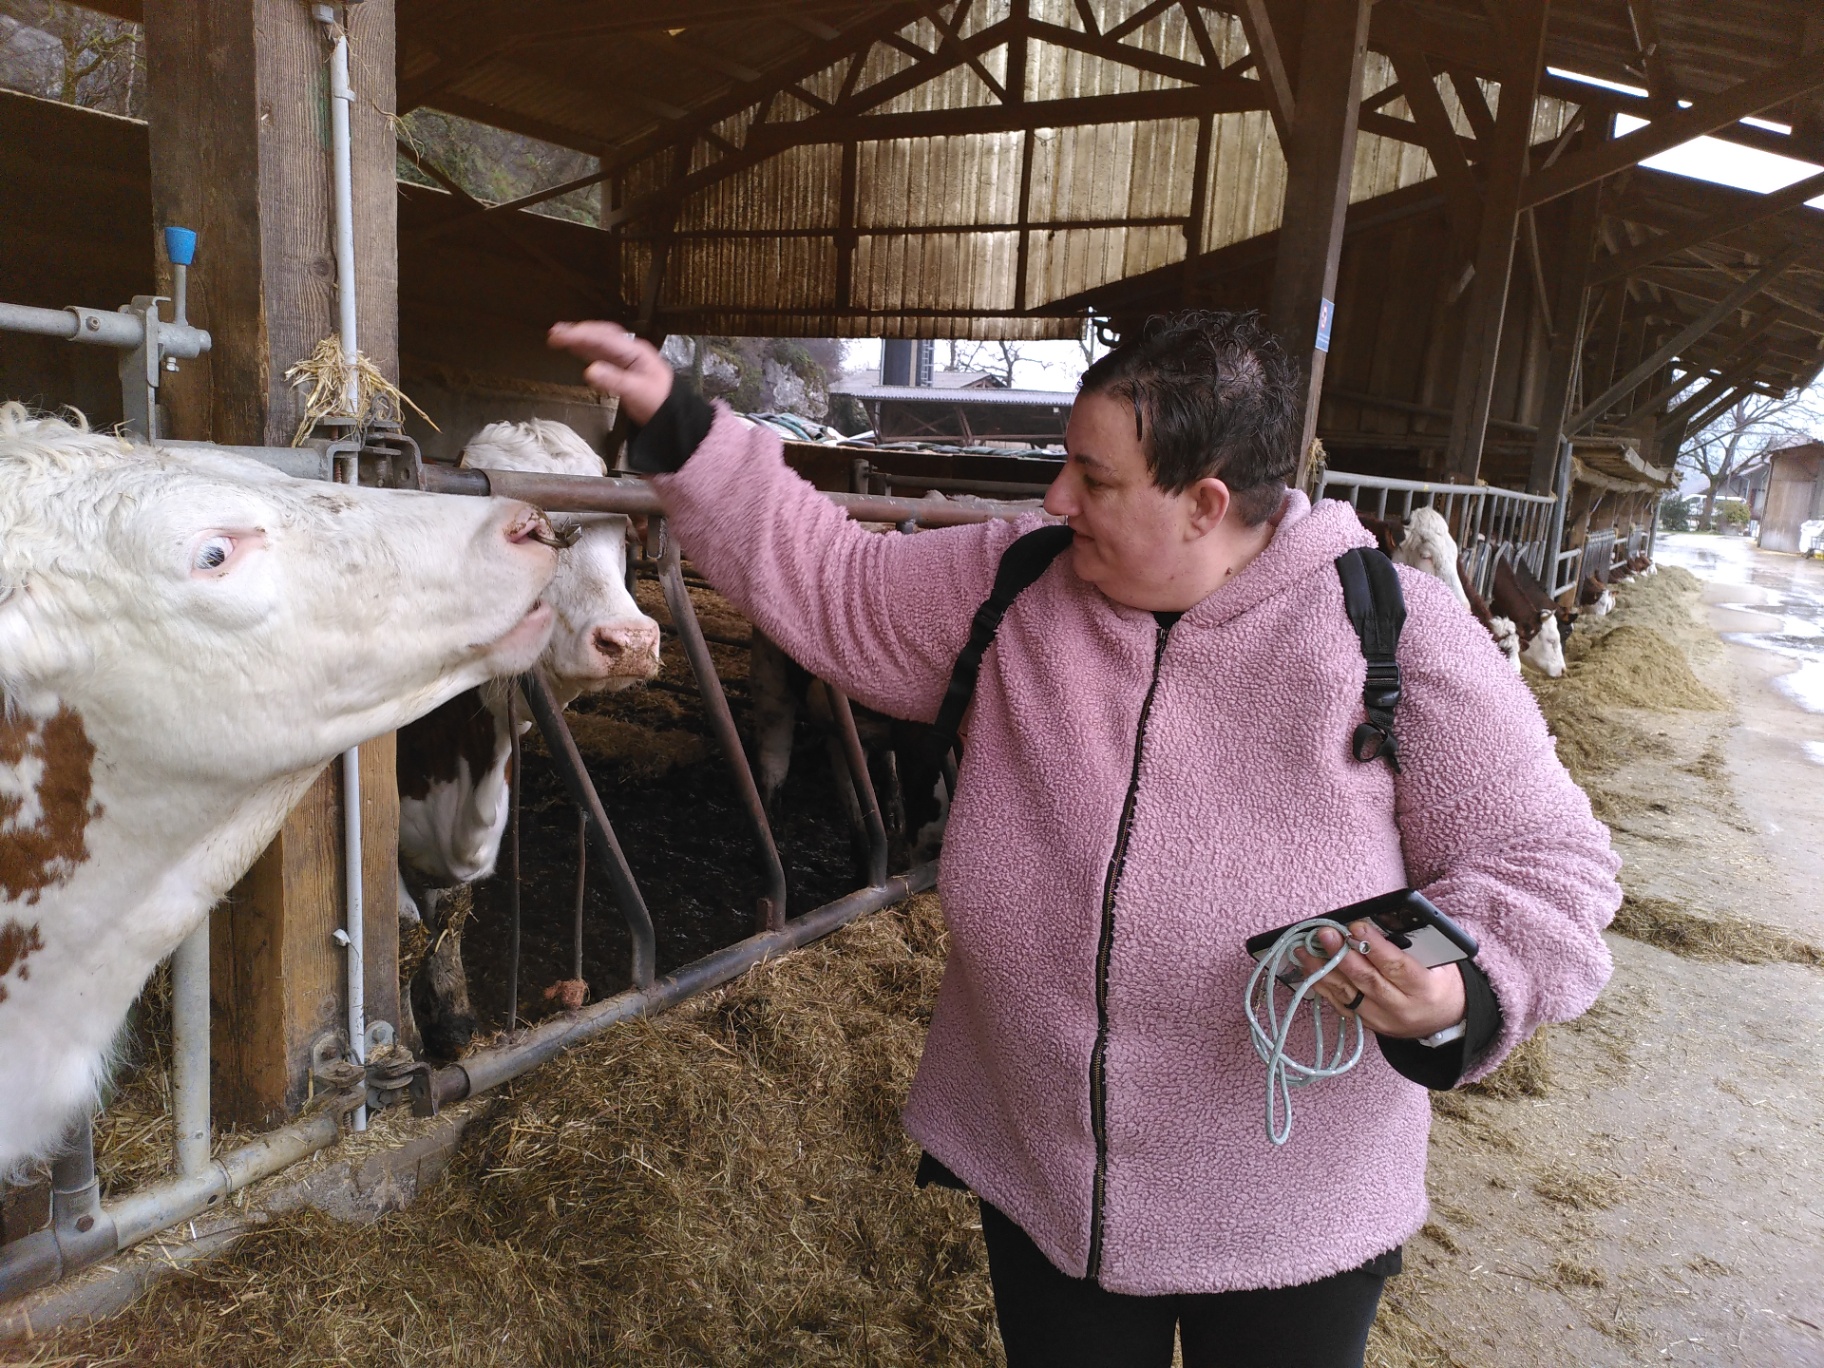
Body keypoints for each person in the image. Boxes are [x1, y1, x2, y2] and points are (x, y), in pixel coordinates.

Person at [548, 312, 1620, 1368]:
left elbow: (1549, 865)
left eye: (1094, 479)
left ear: (1204, 505)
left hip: (1290, 1210)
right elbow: (835, 583)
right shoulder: (1019, 582)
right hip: (1046, 1183)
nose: (1057, 498)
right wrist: (684, 430)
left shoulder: (1386, 628)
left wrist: (1454, 991)